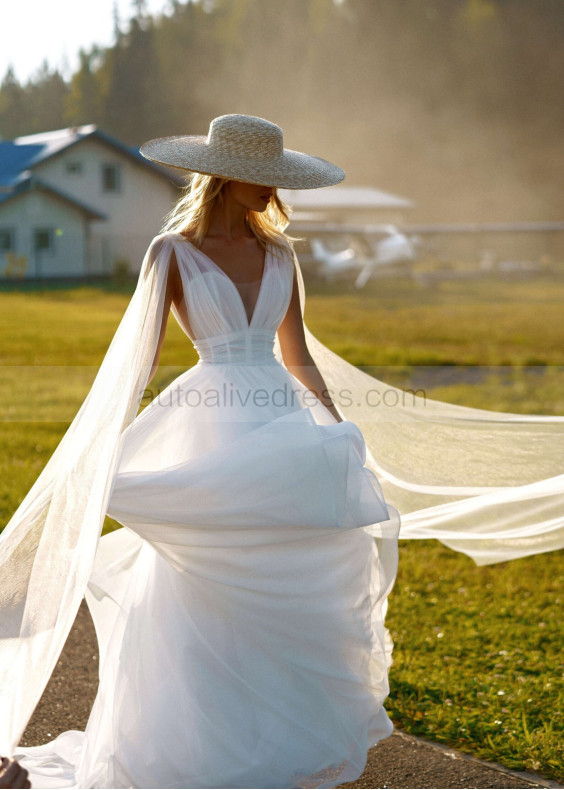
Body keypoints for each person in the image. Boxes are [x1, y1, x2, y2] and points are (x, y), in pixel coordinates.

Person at [10, 114, 400, 789]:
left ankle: (272, 737)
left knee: (287, 572)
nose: (274, 192)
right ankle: (194, 745)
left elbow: (296, 352)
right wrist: (107, 438)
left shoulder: (282, 253)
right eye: (266, 178)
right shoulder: (172, 252)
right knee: (200, 578)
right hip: (209, 421)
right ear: (228, 174)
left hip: (278, 425)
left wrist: (339, 432)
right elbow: (140, 361)